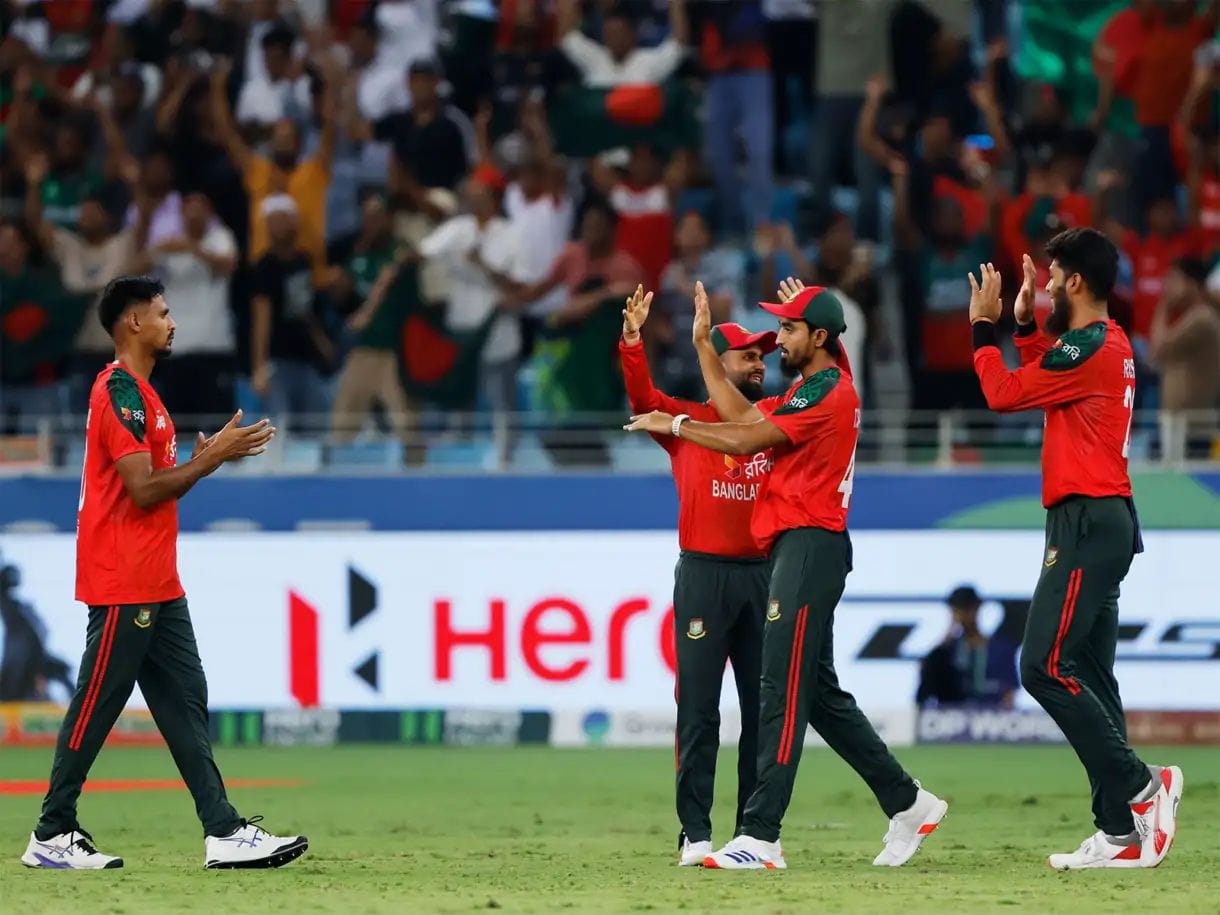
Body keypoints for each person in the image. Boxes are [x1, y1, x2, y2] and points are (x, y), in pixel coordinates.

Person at [625, 278, 945, 870]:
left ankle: (761, 835)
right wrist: (704, 347)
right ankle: (908, 802)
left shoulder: (825, 391)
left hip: (807, 544)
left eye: (790, 329)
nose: (780, 341)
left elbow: (747, 437)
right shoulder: (815, 386)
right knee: (816, 693)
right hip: (798, 546)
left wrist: (676, 426)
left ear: (819, 338)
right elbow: (741, 414)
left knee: (780, 687)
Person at [20, 274, 307, 871]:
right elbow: (143, 489)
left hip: (156, 579)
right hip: (124, 576)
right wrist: (211, 460)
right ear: (133, 322)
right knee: (98, 702)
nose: (172, 323)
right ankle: (52, 831)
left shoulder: (145, 396)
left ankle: (223, 831)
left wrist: (201, 461)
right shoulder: (119, 391)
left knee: (184, 700)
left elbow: (154, 488)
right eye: (163, 313)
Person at [967, 229, 1183, 870]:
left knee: (1042, 666)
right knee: (1089, 676)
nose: (1048, 287)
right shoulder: (1104, 343)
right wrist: (1026, 326)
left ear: (1077, 282)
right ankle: (1119, 831)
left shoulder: (1090, 346)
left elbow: (1005, 393)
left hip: (1086, 520)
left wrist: (983, 329)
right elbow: (1052, 378)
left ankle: (1146, 787)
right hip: (1101, 518)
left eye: (1055, 278)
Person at [618, 284, 775, 867]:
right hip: (705, 577)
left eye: (762, 356)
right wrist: (632, 340)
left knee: (763, 712)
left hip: (765, 577)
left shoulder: (773, 421)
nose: (759, 364)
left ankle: (753, 833)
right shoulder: (689, 422)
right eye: (747, 356)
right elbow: (642, 399)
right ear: (718, 363)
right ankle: (695, 832)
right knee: (699, 710)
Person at [1148, 257, 1220, 462]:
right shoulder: (1194, 317)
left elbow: (1158, 348)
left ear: (1192, 284)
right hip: (1179, 425)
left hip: (1191, 427)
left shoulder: (1202, 318)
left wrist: (1164, 305)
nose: (1167, 286)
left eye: (1174, 279)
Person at [916, 585, 1019, 709]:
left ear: (977, 608)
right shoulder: (947, 652)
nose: (964, 615)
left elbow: (1009, 692)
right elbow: (927, 682)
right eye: (958, 610)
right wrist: (950, 631)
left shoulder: (1001, 648)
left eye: (967, 608)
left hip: (991, 715)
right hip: (953, 716)